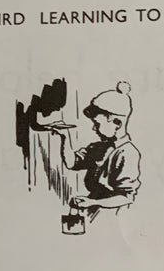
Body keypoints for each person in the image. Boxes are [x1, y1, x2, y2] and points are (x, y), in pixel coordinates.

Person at [44, 81, 140, 218]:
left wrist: (93, 202)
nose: (94, 128)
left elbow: (126, 197)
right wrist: (65, 136)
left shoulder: (127, 153)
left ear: (117, 123)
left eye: (97, 124)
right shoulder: (98, 147)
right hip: (93, 209)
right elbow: (72, 163)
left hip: (114, 214)